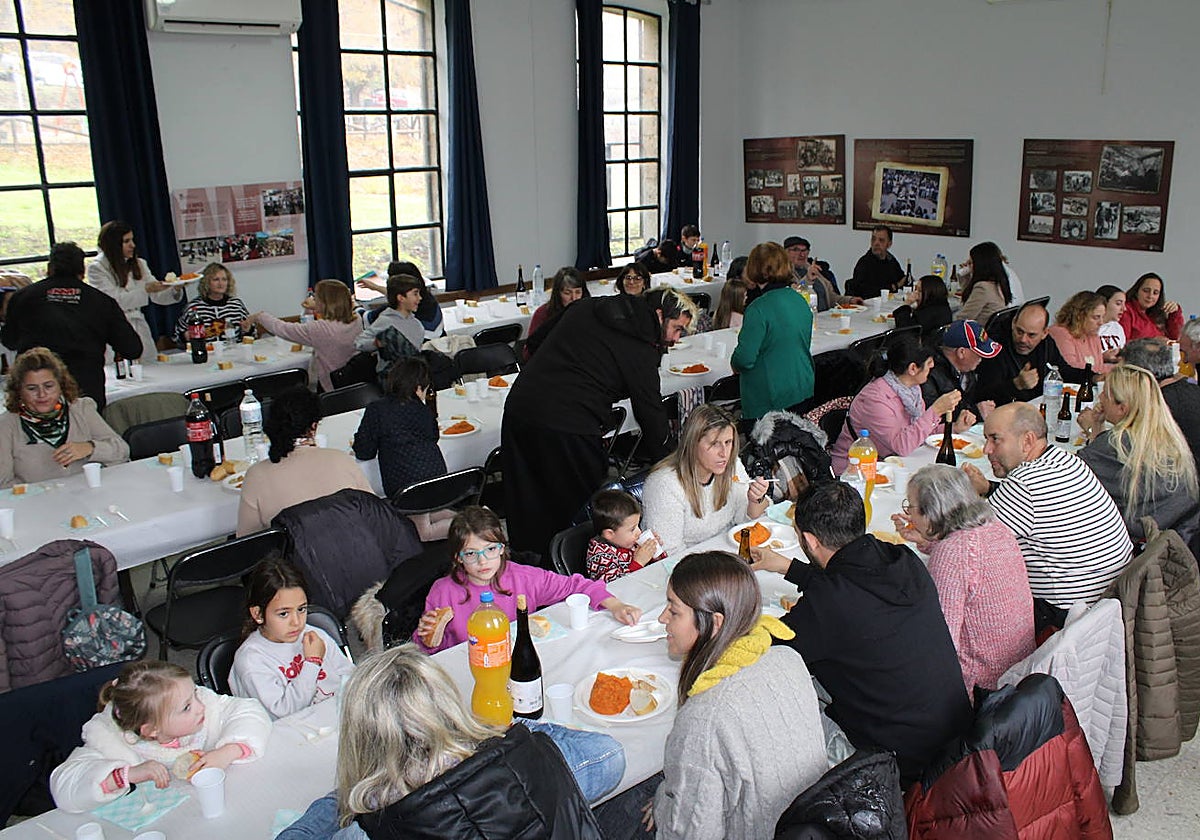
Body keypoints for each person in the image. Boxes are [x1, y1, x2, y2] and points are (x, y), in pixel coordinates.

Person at [750, 480, 972, 785]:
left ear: (810, 541)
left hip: (898, 768)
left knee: (775, 697)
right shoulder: (902, 560)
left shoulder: (829, 605)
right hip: (954, 740)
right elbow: (852, 587)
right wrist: (789, 568)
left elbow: (764, 653)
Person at [595, 552, 826, 840]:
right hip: (807, 822)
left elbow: (690, 833)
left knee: (605, 808)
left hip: (756, 829)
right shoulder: (787, 656)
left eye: (674, 610)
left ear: (715, 623)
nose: (662, 618)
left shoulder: (705, 717)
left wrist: (667, 804)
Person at [325, 646, 622, 838]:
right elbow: (608, 755)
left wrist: (344, 794)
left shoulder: (364, 832)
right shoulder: (530, 762)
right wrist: (518, 726)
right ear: (447, 707)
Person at [501, 287, 694, 557]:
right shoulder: (639, 346)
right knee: (579, 506)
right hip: (568, 423)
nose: (675, 339)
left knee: (528, 496)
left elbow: (533, 343)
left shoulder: (589, 306)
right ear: (659, 314)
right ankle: (574, 566)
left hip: (520, 407)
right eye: (676, 329)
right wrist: (675, 463)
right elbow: (650, 412)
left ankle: (527, 567)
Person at [961, 403, 1132, 630]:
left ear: (1028, 441)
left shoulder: (1025, 484)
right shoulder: (1065, 459)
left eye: (995, 439)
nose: (986, 450)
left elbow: (967, 543)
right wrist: (989, 489)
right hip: (1105, 599)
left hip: (1063, 615)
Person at [49, 659, 270, 813]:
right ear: (151, 730)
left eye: (194, 694)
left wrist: (227, 751)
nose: (199, 706)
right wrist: (126, 775)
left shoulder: (204, 706)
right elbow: (65, 789)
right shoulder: (110, 739)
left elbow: (250, 710)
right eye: (186, 707)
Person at [413, 507, 641, 653]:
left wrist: (616, 605)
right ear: (458, 558)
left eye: (491, 549)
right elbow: (430, 652)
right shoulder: (443, 592)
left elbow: (576, 585)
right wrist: (426, 637)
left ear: (502, 549)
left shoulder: (523, 578)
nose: (483, 562)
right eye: (471, 554)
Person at [891, 465, 1035, 693]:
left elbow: (941, 638)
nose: (909, 514)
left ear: (933, 512)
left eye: (912, 507)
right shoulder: (994, 527)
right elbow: (971, 566)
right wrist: (927, 540)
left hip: (983, 682)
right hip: (1018, 666)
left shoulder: (953, 553)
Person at [1, 242, 142, 409]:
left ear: (49, 268)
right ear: (82, 271)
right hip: (85, 391)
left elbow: (9, 341)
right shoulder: (101, 302)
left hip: (35, 395)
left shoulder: (23, 297)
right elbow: (132, 348)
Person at [1075, 363, 1199, 547]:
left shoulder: (1115, 444)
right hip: (1183, 536)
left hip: (1139, 545)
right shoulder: (1169, 435)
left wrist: (1092, 429)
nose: (1100, 396)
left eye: (1106, 393)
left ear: (1122, 408)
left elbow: (1076, 474)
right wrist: (1098, 431)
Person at [230, 556, 355, 719]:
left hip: (335, 719)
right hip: (292, 732)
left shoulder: (314, 636)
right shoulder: (251, 659)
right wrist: (312, 663)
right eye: (283, 614)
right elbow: (285, 712)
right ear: (258, 614)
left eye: (301, 609)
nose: (296, 622)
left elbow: (351, 677)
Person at [236, 387, 373, 536]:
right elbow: (374, 513)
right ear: (313, 427)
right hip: (356, 552)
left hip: (296, 557)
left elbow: (248, 540)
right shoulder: (342, 460)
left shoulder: (256, 476)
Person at [642, 404, 771, 557]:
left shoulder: (732, 465)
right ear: (693, 443)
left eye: (728, 442)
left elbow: (747, 522)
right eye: (714, 444)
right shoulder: (664, 484)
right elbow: (669, 554)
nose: (724, 453)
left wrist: (756, 500)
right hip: (689, 566)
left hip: (726, 554)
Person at [829, 338, 968, 474]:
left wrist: (954, 428)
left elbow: (918, 432)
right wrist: (935, 411)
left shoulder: (912, 390)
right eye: (929, 364)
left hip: (889, 464)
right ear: (912, 368)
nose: (932, 367)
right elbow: (901, 445)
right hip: (856, 470)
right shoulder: (875, 399)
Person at [351, 357, 453, 541]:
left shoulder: (377, 409)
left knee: (423, 533)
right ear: (418, 388)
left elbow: (364, 451)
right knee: (430, 511)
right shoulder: (423, 411)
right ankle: (471, 518)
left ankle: (474, 525)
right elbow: (433, 437)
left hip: (407, 486)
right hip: (437, 479)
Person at [0, 347, 129, 488]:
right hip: (39, 504)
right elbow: (3, 484)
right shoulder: (7, 425)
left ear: (61, 385)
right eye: (32, 388)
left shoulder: (81, 409)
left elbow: (122, 451)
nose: (42, 395)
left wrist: (90, 448)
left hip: (87, 496)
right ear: (18, 390)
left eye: (48, 386)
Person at [730, 241, 815, 422]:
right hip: (801, 385)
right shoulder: (798, 300)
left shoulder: (758, 308)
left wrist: (734, 363)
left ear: (754, 269)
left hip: (769, 396)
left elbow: (744, 359)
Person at [86, 220, 183, 359]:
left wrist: (175, 288)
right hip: (115, 327)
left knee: (150, 366)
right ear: (113, 244)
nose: (133, 245)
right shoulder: (97, 268)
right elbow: (112, 301)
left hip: (139, 325)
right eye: (126, 241)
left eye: (132, 240)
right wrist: (146, 289)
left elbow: (157, 295)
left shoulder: (139, 264)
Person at [245, 280, 363, 393]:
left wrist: (259, 316)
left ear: (324, 302)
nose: (313, 298)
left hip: (331, 385)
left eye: (316, 296)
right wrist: (311, 309)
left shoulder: (321, 329)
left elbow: (283, 329)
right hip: (353, 380)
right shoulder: (356, 319)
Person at [974, 303, 1080, 405]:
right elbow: (982, 395)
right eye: (1019, 331)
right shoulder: (995, 346)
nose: (1023, 340)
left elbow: (1063, 371)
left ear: (1044, 333)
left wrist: (1091, 377)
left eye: (1031, 335)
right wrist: (1016, 384)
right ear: (1013, 324)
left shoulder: (1046, 344)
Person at [1121, 336, 1200, 468]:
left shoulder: (1158, 405)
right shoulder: (1193, 389)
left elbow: (1130, 455)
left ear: (1138, 375)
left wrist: (1094, 430)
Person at [921, 319, 998, 423]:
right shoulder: (928, 374)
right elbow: (931, 418)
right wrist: (975, 412)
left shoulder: (967, 368)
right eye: (979, 354)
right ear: (961, 352)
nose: (981, 359)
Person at [585, 489, 662, 582]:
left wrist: (655, 553)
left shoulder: (630, 542)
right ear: (609, 534)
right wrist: (639, 562)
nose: (639, 532)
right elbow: (614, 587)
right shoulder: (600, 556)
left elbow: (659, 568)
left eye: (638, 525)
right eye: (632, 529)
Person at [354, 274, 425, 377]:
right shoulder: (386, 320)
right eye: (415, 294)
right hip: (392, 378)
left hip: (413, 376)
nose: (420, 298)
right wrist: (377, 343)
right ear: (401, 298)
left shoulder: (417, 324)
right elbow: (359, 342)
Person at [357, 260, 444, 340]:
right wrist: (376, 287)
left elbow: (363, 318)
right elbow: (403, 294)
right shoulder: (430, 300)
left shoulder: (394, 312)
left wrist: (353, 304)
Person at [172, 263, 249, 345]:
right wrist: (187, 336)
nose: (221, 283)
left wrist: (248, 329)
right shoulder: (193, 307)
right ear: (207, 282)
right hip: (206, 352)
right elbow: (177, 336)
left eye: (224, 279)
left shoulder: (236, 304)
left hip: (233, 350)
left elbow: (251, 334)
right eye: (216, 279)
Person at [524, 265, 589, 357]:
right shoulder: (543, 313)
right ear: (557, 293)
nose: (574, 298)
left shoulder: (588, 312)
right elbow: (528, 353)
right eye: (567, 293)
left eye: (578, 292)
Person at [783, 236, 858, 310]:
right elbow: (796, 295)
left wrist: (850, 300)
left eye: (804, 250)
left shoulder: (814, 269)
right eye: (796, 250)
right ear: (785, 252)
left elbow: (831, 298)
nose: (802, 254)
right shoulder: (784, 274)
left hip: (825, 316)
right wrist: (808, 279)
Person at [1047, 291, 1112, 375]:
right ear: (1080, 316)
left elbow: (1099, 365)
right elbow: (1070, 366)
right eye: (1096, 317)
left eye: (1103, 317)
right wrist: (1113, 369)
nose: (1101, 322)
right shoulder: (1060, 333)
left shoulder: (1093, 335)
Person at [957, 241, 1013, 326]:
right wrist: (964, 276)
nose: (969, 266)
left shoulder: (982, 288)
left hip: (978, 334)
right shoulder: (999, 283)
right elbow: (969, 299)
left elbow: (963, 319)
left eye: (971, 262)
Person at [1119, 272, 1183, 341]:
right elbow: (1123, 344)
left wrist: (1174, 313)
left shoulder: (1157, 313)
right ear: (1136, 291)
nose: (1150, 296)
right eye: (1146, 291)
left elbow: (1175, 338)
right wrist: (1153, 342)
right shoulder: (1126, 310)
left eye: (1155, 293)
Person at [846, 225, 904, 299]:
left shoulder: (891, 260)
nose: (876, 243)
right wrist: (893, 287)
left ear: (889, 244)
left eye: (881, 240)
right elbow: (865, 291)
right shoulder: (864, 263)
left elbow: (902, 279)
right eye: (873, 239)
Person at [1096, 284, 1127, 358]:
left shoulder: (1118, 328)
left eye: (1124, 304)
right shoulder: (1088, 326)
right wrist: (1102, 357)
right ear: (1104, 303)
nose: (1124, 308)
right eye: (1118, 303)